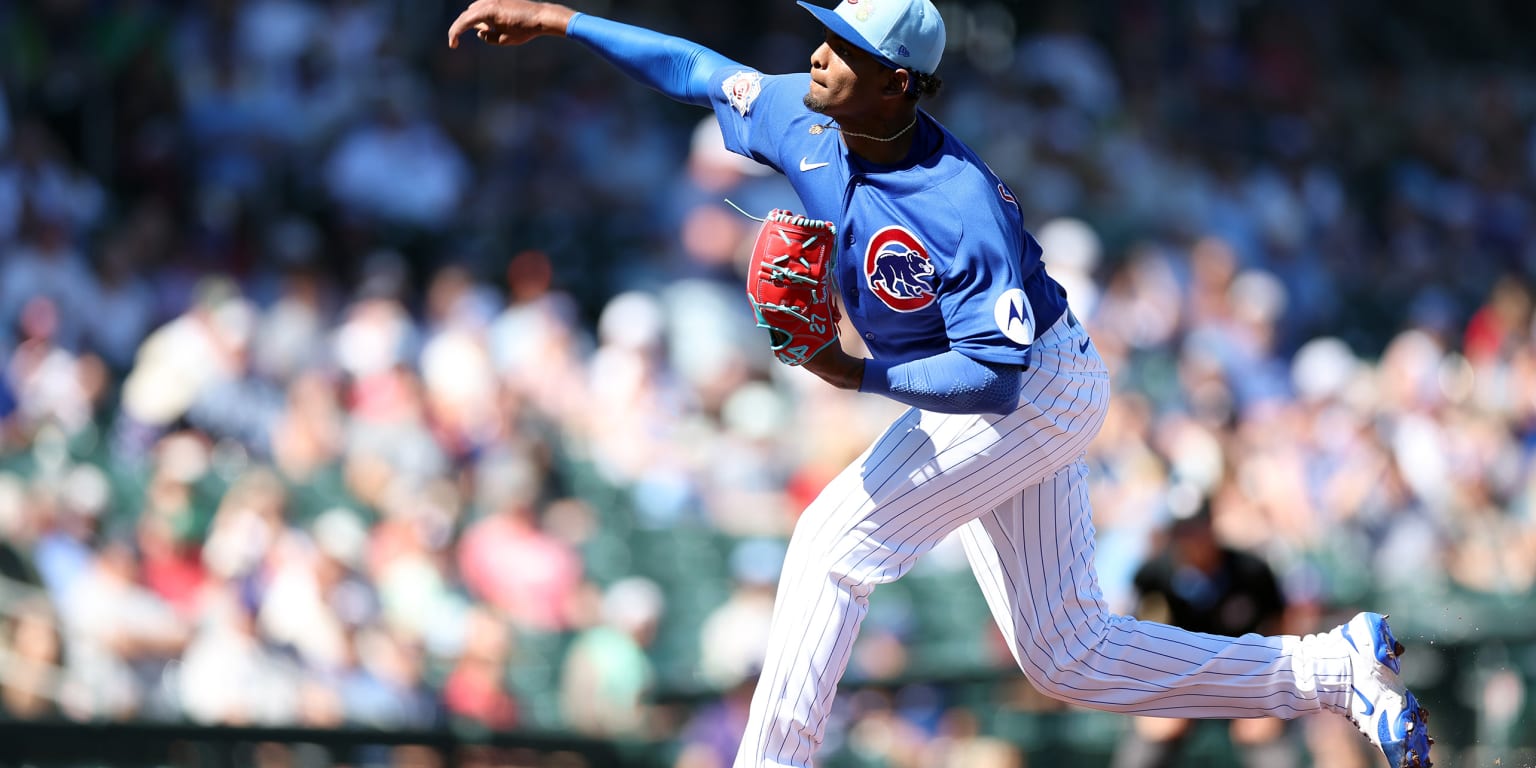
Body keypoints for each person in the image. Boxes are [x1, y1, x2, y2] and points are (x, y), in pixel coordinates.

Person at [445, 2, 1435, 767]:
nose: (818, 56)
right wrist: (564, 22)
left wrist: (852, 369)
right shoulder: (804, 118)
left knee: (832, 540)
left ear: (897, 85)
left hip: (1031, 386)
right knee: (1065, 654)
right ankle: (1330, 668)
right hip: (1000, 390)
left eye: (844, 49)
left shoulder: (959, 205)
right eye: (824, 36)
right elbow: (697, 70)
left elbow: (992, 377)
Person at [1111, 504, 1300, 768]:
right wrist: (1148, 696)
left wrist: (1272, 691)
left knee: (1269, 747)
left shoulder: (1251, 571)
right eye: (1181, 532)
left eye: (1194, 530)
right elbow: (1129, 639)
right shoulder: (1154, 574)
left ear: (1210, 528)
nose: (1188, 540)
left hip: (1244, 679)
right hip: (1178, 683)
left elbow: (1281, 628)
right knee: (1150, 741)